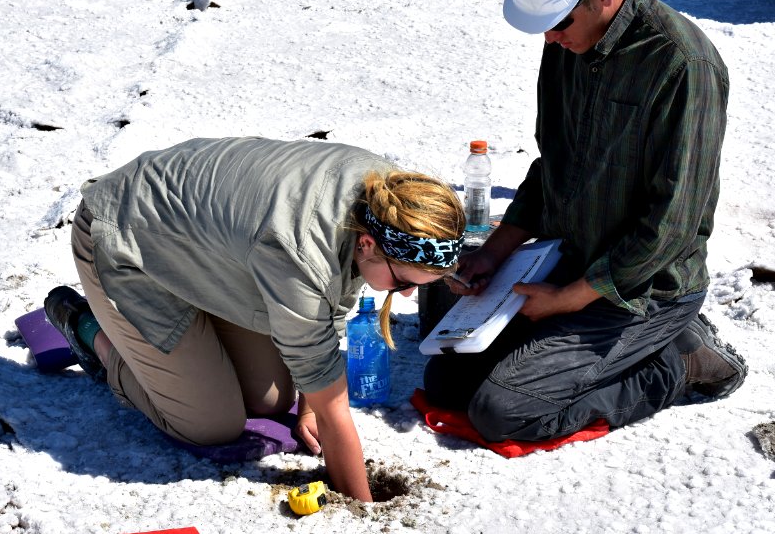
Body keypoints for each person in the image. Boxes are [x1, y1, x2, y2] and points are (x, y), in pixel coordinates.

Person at [424, 0, 747, 443]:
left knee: (503, 412)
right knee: (445, 379)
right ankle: (623, 343)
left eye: (556, 23)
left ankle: (680, 362)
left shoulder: (683, 65)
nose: (548, 38)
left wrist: (570, 298)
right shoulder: (570, 43)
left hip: (642, 289)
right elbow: (552, 165)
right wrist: (494, 254)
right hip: (565, 259)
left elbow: (671, 225)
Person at [43, 136, 465, 501]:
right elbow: (335, 409)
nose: (407, 294)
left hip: (205, 255)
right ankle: (89, 328)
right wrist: (362, 510)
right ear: (369, 244)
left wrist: (306, 409)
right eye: (402, 282)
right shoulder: (303, 251)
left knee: (271, 399)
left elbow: (330, 309)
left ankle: (186, 343)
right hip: (124, 241)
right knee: (209, 423)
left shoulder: (391, 201)